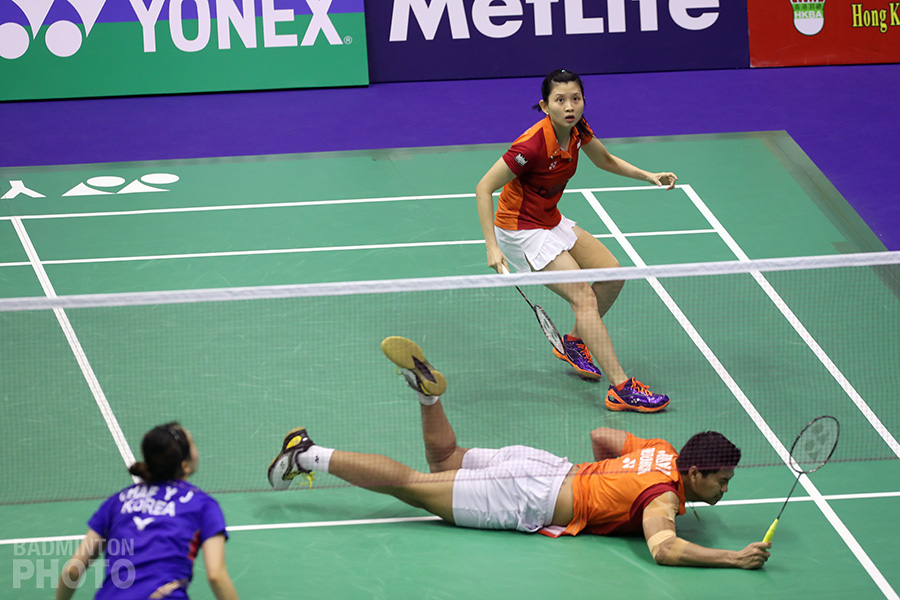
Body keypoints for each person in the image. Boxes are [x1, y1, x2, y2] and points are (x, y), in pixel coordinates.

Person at [268, 337, 771, 569]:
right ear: (695, 473)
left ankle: (429, 397)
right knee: (415, 487)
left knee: (446, 459)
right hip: (527, 495)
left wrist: (605, 485)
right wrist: (732, 557)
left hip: (544, 466)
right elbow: (664, 550)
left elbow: (602, 435)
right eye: (722, 480)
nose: (726, 488)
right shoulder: (662, 498)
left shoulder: (661, 450)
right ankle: (307, 454)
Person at [475, 68, 678, 413]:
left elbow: (605, 160)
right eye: (560, 100)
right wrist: (492, 246)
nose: (569, 106)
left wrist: (648, 175)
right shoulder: (531, 146)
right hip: (521, 230)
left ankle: (574, 341)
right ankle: (621, 388)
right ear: (544, 106)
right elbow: (484, 188)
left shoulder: (577, 129)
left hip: (549, 219)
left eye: (575, 98)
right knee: (583, 297)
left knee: (612, 274)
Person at [56, 423, 239, 600]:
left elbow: (72, 570)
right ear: (185, 465)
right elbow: (216, 576)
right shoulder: (203, 505)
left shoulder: (117, 502)